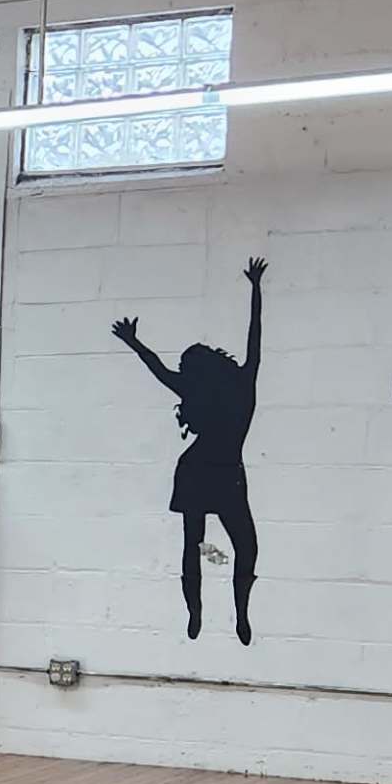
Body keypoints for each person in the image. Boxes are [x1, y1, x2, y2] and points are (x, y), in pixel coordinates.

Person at [113, 256, 267, 642]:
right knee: (242, 546)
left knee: (195, 544)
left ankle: (199, 614)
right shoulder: (242, 384)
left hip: (201, 469)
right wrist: (255, 289)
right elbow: (255, 339)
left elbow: (158, 368)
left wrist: (135, 342)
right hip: (224, 471)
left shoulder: (199, 389)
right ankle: (233, 615)